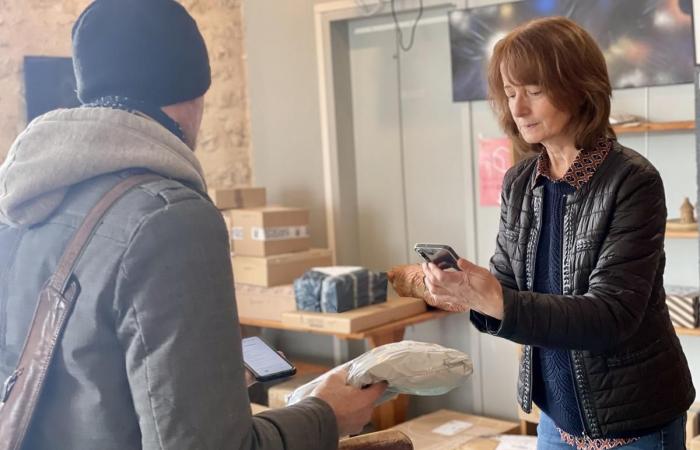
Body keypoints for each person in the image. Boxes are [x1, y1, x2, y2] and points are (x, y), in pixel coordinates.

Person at [0, 0, 384, 449]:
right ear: (194, 95)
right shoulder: (171, 219)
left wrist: (202, 387)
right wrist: (326, 415)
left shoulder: (23, 206)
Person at [389, 16, 694, 449]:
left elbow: (610, 316)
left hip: (635, 421)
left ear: (580, 87)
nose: (518, 108)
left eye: (534, 91)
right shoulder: (520, 182)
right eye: (510, 94)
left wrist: (492, 297)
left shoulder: (633, 181)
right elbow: (509, 288)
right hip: (554, 418)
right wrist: (465, 290)